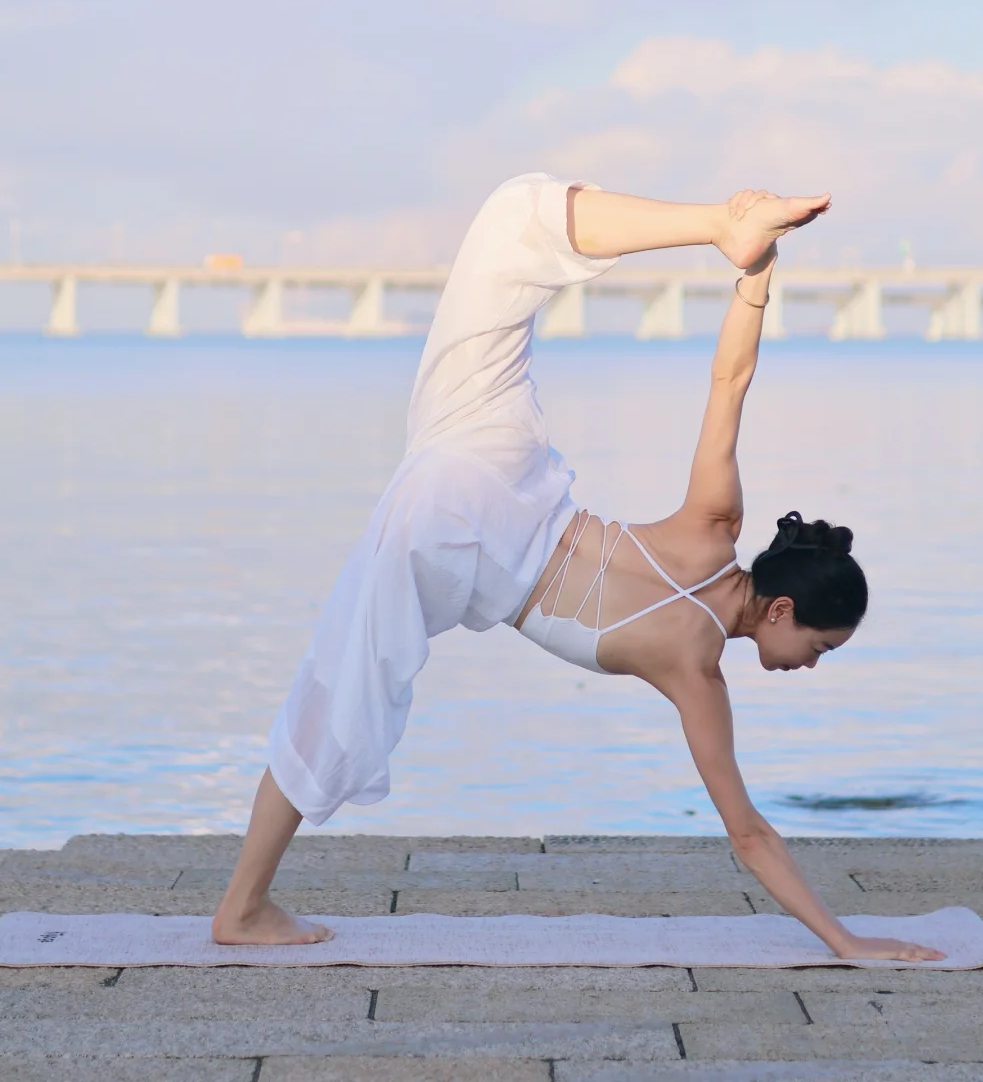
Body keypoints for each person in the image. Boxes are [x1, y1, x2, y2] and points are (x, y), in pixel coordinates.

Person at [212, 173, 944, 964]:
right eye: (820, 647)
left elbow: (729, 383)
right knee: (338, 695)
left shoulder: (713, 526)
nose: (810, 666)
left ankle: (715, 226)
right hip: (462, 537)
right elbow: (748, 834)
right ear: (780, 611)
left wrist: (754, 278)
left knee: (510, 220)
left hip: (487, 457)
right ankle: (242, 909)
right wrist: (843, 939)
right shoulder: (695, 677)